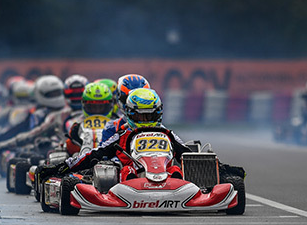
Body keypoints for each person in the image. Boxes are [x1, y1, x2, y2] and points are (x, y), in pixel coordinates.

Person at [38, 88, 192, 182]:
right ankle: (133, 185)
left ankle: (174, 184)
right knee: (123, 170)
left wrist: (215, 167)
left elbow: (190, 155)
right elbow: (94, 153)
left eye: (149, 116)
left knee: (176, 171)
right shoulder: (123, 133)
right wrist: (63, 166)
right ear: (131, 115)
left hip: (166, 175)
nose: (145, 122)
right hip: (129, 179)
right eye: (140, 117)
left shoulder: (167, 134)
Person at [101, 74, 151, 142]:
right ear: (119, 98)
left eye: (141, 99)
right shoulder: (112, 128)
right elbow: (103, 151)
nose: (133, 104)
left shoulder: (159, 127)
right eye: (127, 99)